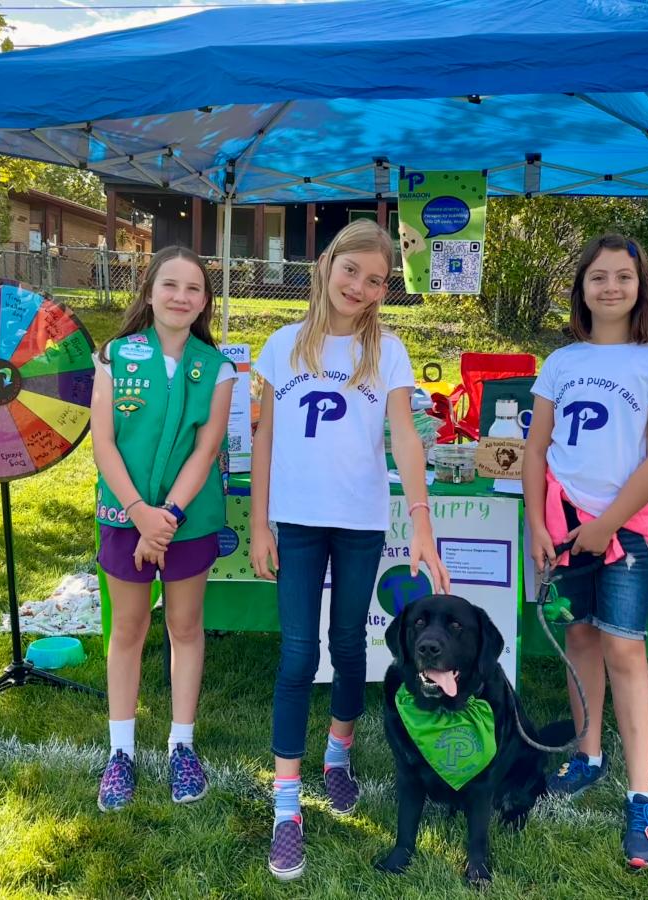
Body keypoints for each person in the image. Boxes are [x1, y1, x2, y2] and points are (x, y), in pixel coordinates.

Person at [249, 219, 451, 881]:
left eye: (375, 280)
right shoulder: (280, 346)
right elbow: (265, 441)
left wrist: (420, 519)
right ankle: (287, 807)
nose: (360, 287)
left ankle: (337, 754)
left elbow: (407, 437)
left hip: (361, 524)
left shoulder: (387, 351)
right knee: (297, 655)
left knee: (346, 648)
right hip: (297, 523)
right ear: (328, 263)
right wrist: (258, 522)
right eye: (351, 271)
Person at [522, 233, 648, 869]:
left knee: (624, 646)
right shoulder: (560, 360)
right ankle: (587, 755)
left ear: (640, 286)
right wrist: (539, 523)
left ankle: (642, 795)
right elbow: (536, 449)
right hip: (562, 527)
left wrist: (607, 523)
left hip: (627, 530)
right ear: (582, 288)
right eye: (598, 277)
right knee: (580, 639)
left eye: (623, 276)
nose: (611, 287)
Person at [90, 246, 237, 812]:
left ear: (204, 301)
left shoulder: (216, 368)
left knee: (184, 626)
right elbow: (103, 442)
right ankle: (120, 752)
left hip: (187, 522)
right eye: (169, 285)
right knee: (126, 629)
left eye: (193, 289)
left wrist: (168, 517)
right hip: (125, 517)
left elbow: (207, 449)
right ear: (148, 292)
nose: (181, 297)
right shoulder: (113, 357)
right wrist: (139, 514)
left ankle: (182, 745)